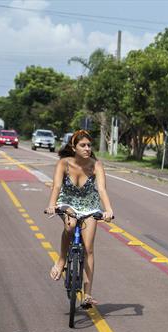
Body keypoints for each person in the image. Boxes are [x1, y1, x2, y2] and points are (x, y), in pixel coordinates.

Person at [44, 130, 114, 308]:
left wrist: (108, 210)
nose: (87, 148)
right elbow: (57, 186)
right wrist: (52, 204)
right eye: (83, 145)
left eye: (89, 145)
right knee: (70, 225)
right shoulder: (63, 163)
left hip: (89, 205)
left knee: (88, 248)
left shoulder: (96, 165)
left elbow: (102, 190)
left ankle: (87, 294)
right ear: (73, 147)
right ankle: (61, 260)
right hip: (67, 202)